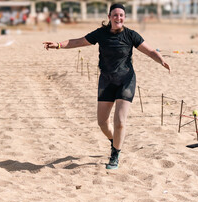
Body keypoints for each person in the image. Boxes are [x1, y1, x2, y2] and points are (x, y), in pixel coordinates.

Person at [43, 3, 170, 170]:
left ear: (124, 17)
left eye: (121, 15)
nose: (118, 18)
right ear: (109, 17)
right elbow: (79, 41)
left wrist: (161, 60)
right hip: (106, 81)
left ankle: (115, 154)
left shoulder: (131, 35)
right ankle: (114, 141)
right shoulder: (100, 34)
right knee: (102, 123)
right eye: (115, 15)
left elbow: (149, 50)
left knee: (120, 122)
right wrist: (58, 45)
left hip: (126, 80)